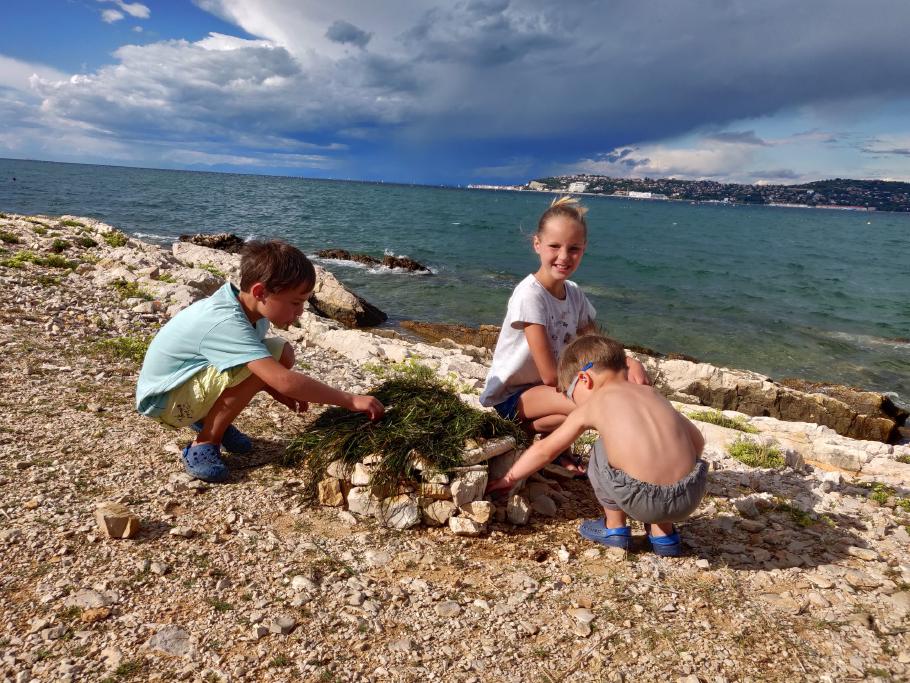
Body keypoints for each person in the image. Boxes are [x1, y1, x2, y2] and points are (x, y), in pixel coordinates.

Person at [136, 240, 384, 482]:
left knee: (280, 351)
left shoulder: (249, 311)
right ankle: (205, 441)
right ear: (260, 292)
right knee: (265, 364)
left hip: (181, 387)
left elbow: (263, 373)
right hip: (164, 402)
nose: (300, 312)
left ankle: (211, 420)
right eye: (295, 303)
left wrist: (273, 388)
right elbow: (283, 380)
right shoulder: (226, 322)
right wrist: (350, 400)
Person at [487, 334, 706, 556]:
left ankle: (615, 528)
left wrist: (510, 478)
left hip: (642, 501)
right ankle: (664, 535)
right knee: (662, 446)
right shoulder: (652, 394)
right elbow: (697, 440)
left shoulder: (596, 404)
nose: (574, 401)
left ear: (584, 379)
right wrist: (680, 475)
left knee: (603, 447)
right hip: (689, 496)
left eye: (571, 394)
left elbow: (546, 450)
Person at [478, 196, 649, 474]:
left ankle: (542, 441)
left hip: (549, 393)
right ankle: (600, 462)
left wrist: (627, 362)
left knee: (614, 388)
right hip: (513, 396)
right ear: (537, 244)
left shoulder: (574, 293)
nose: (563, 256)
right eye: (554, 246)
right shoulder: (530, 295)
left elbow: (596, 347)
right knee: (594, 402)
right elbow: (549, 375)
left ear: (584, 249)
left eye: (574, 249)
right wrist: (600, 387)